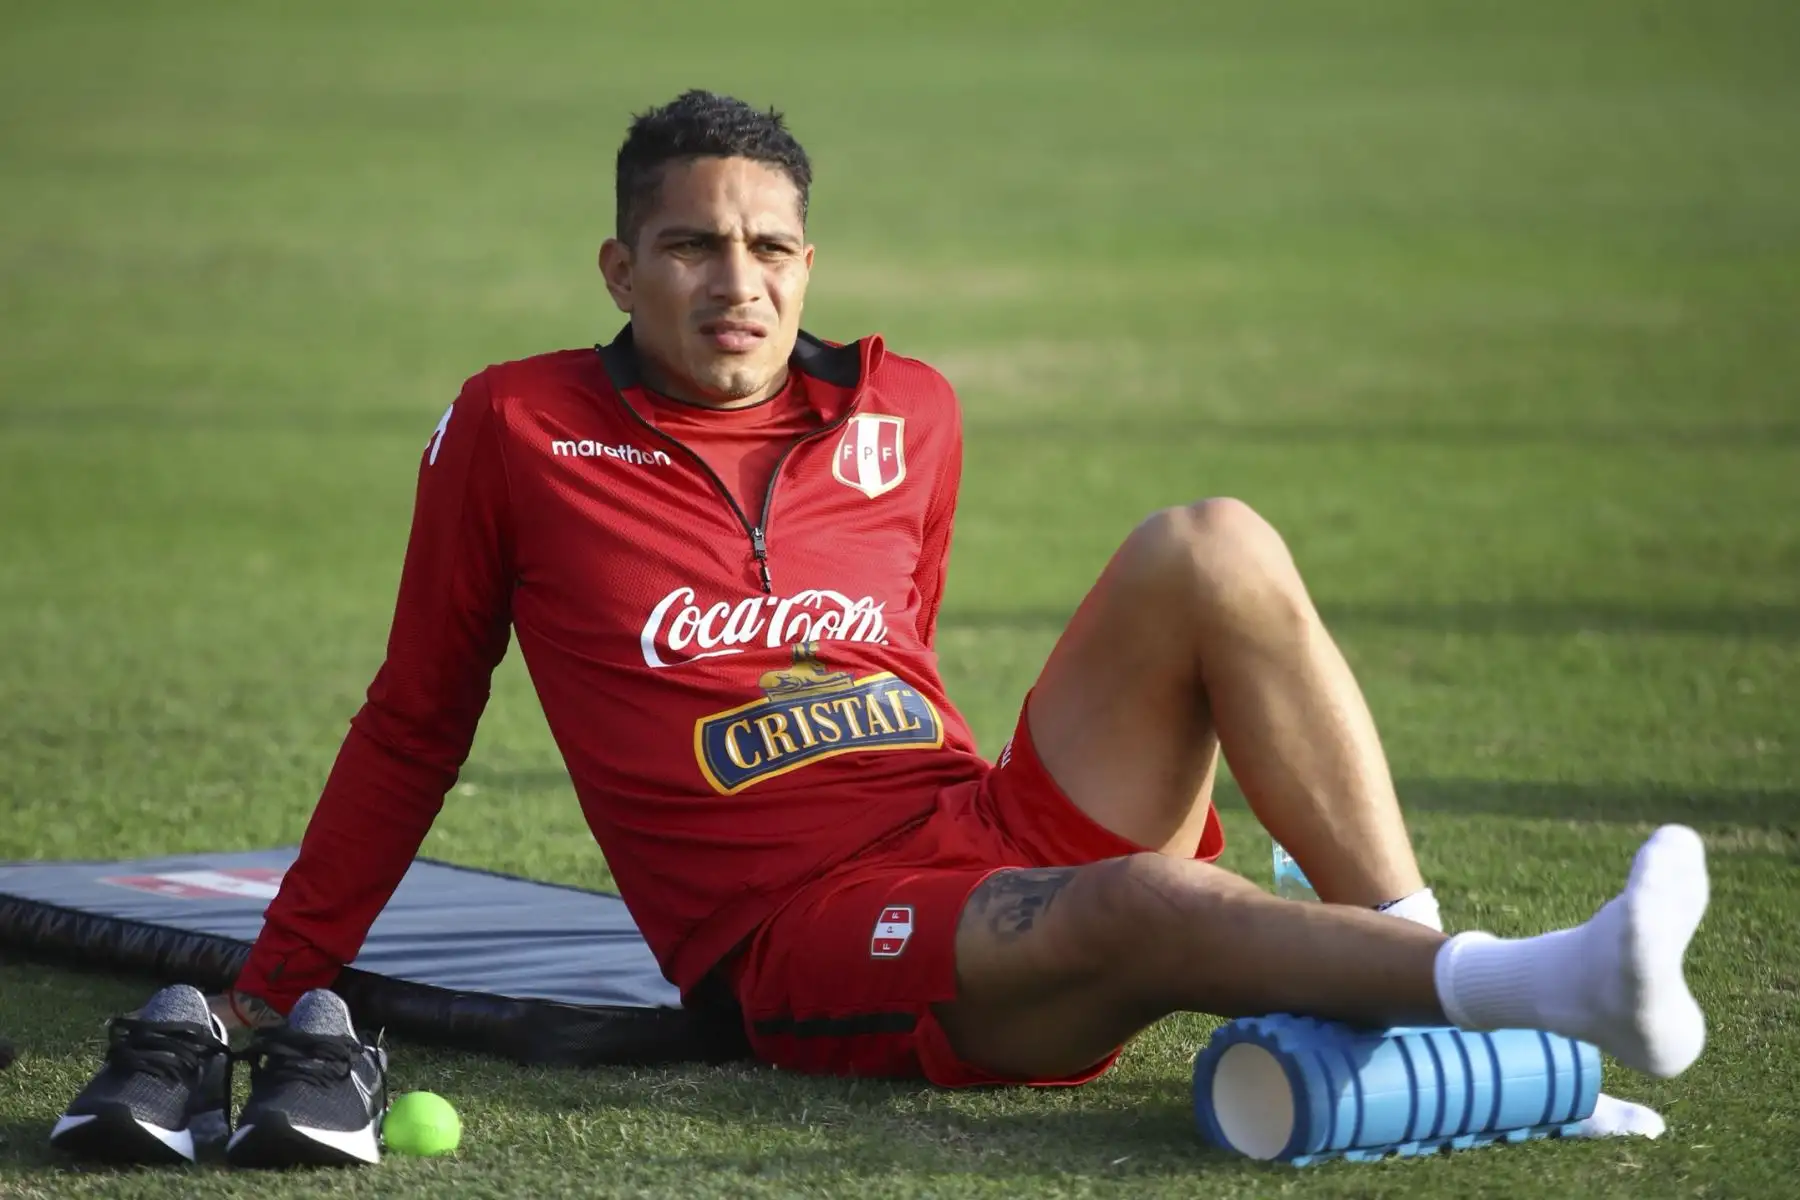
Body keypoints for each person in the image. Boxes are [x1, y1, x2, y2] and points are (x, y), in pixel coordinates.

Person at [54, 90, 1706, 1166]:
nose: (739, 283)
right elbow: (416, 718)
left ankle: (1435, 987)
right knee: (1145, 898)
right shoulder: (515, 430)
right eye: (693, 247)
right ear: (621, 266)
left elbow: (898, 650)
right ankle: (1545, 990)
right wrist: (277, 983)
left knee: (1211, 543)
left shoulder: (905, 405)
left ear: (808, 259)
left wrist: (989, 839)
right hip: (798, 933)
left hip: (969, 825)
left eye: (769, 247)